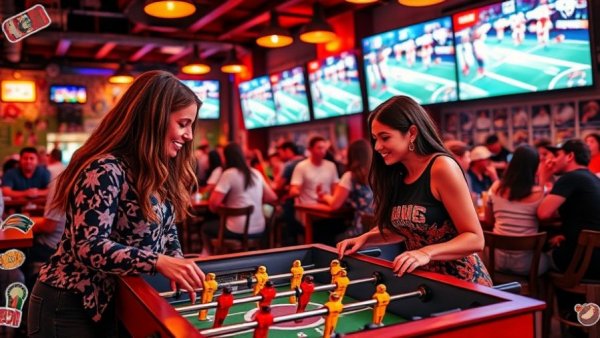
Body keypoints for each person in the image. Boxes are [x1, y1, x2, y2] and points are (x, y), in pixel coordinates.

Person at [27, 70, 206, 337]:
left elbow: (166, 228)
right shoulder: (104, 168)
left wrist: (177, 260)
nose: (189, 135)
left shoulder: (155, 170)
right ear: (154, 120)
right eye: (183, 123)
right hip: (67, 305)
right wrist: (159, 261)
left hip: (113, 302)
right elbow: (88, 246)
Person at [337, 96, 492, 286]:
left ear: (411, 133)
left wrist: (425, 253)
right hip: (425, 282)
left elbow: (475, 239)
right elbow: (408, 230)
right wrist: (366, 238)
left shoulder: (441, 167)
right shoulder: (396, 173)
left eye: (385, 137)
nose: (377, 147)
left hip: (463, 283)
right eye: (375, 139)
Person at [537, 139, 600, 278]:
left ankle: (542, 298)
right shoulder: (594, 179)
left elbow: (542, 214)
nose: (553, 160)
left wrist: (543, 177)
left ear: (570, 156)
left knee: (536, 261)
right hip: (594, 258)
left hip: (580, 262)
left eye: (557, 155)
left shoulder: (571, 178)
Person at [484, 145, 549, 276]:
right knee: (549, 258)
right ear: (535, 167)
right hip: (526, 265)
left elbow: (488, 221)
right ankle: (537, 293)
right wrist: (544, 179)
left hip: (495, 261)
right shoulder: (540, 194)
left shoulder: (496, 188)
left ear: (512, 164)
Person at [202, 143, 278, 254]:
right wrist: (255, 199)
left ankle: (208, 258)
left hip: (237, 229)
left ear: (226, 157)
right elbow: (273, 197)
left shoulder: (229, 174)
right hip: (260, 228)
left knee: (205, 228)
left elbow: (213, 205)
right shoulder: (255, 173)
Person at [317, 139, 374, 240]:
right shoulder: (375, 174)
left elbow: (335, 204)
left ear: (351, 156)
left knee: (330, 236)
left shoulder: (350, 176)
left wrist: (324, 196)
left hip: (360, 231)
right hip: (376, 229)